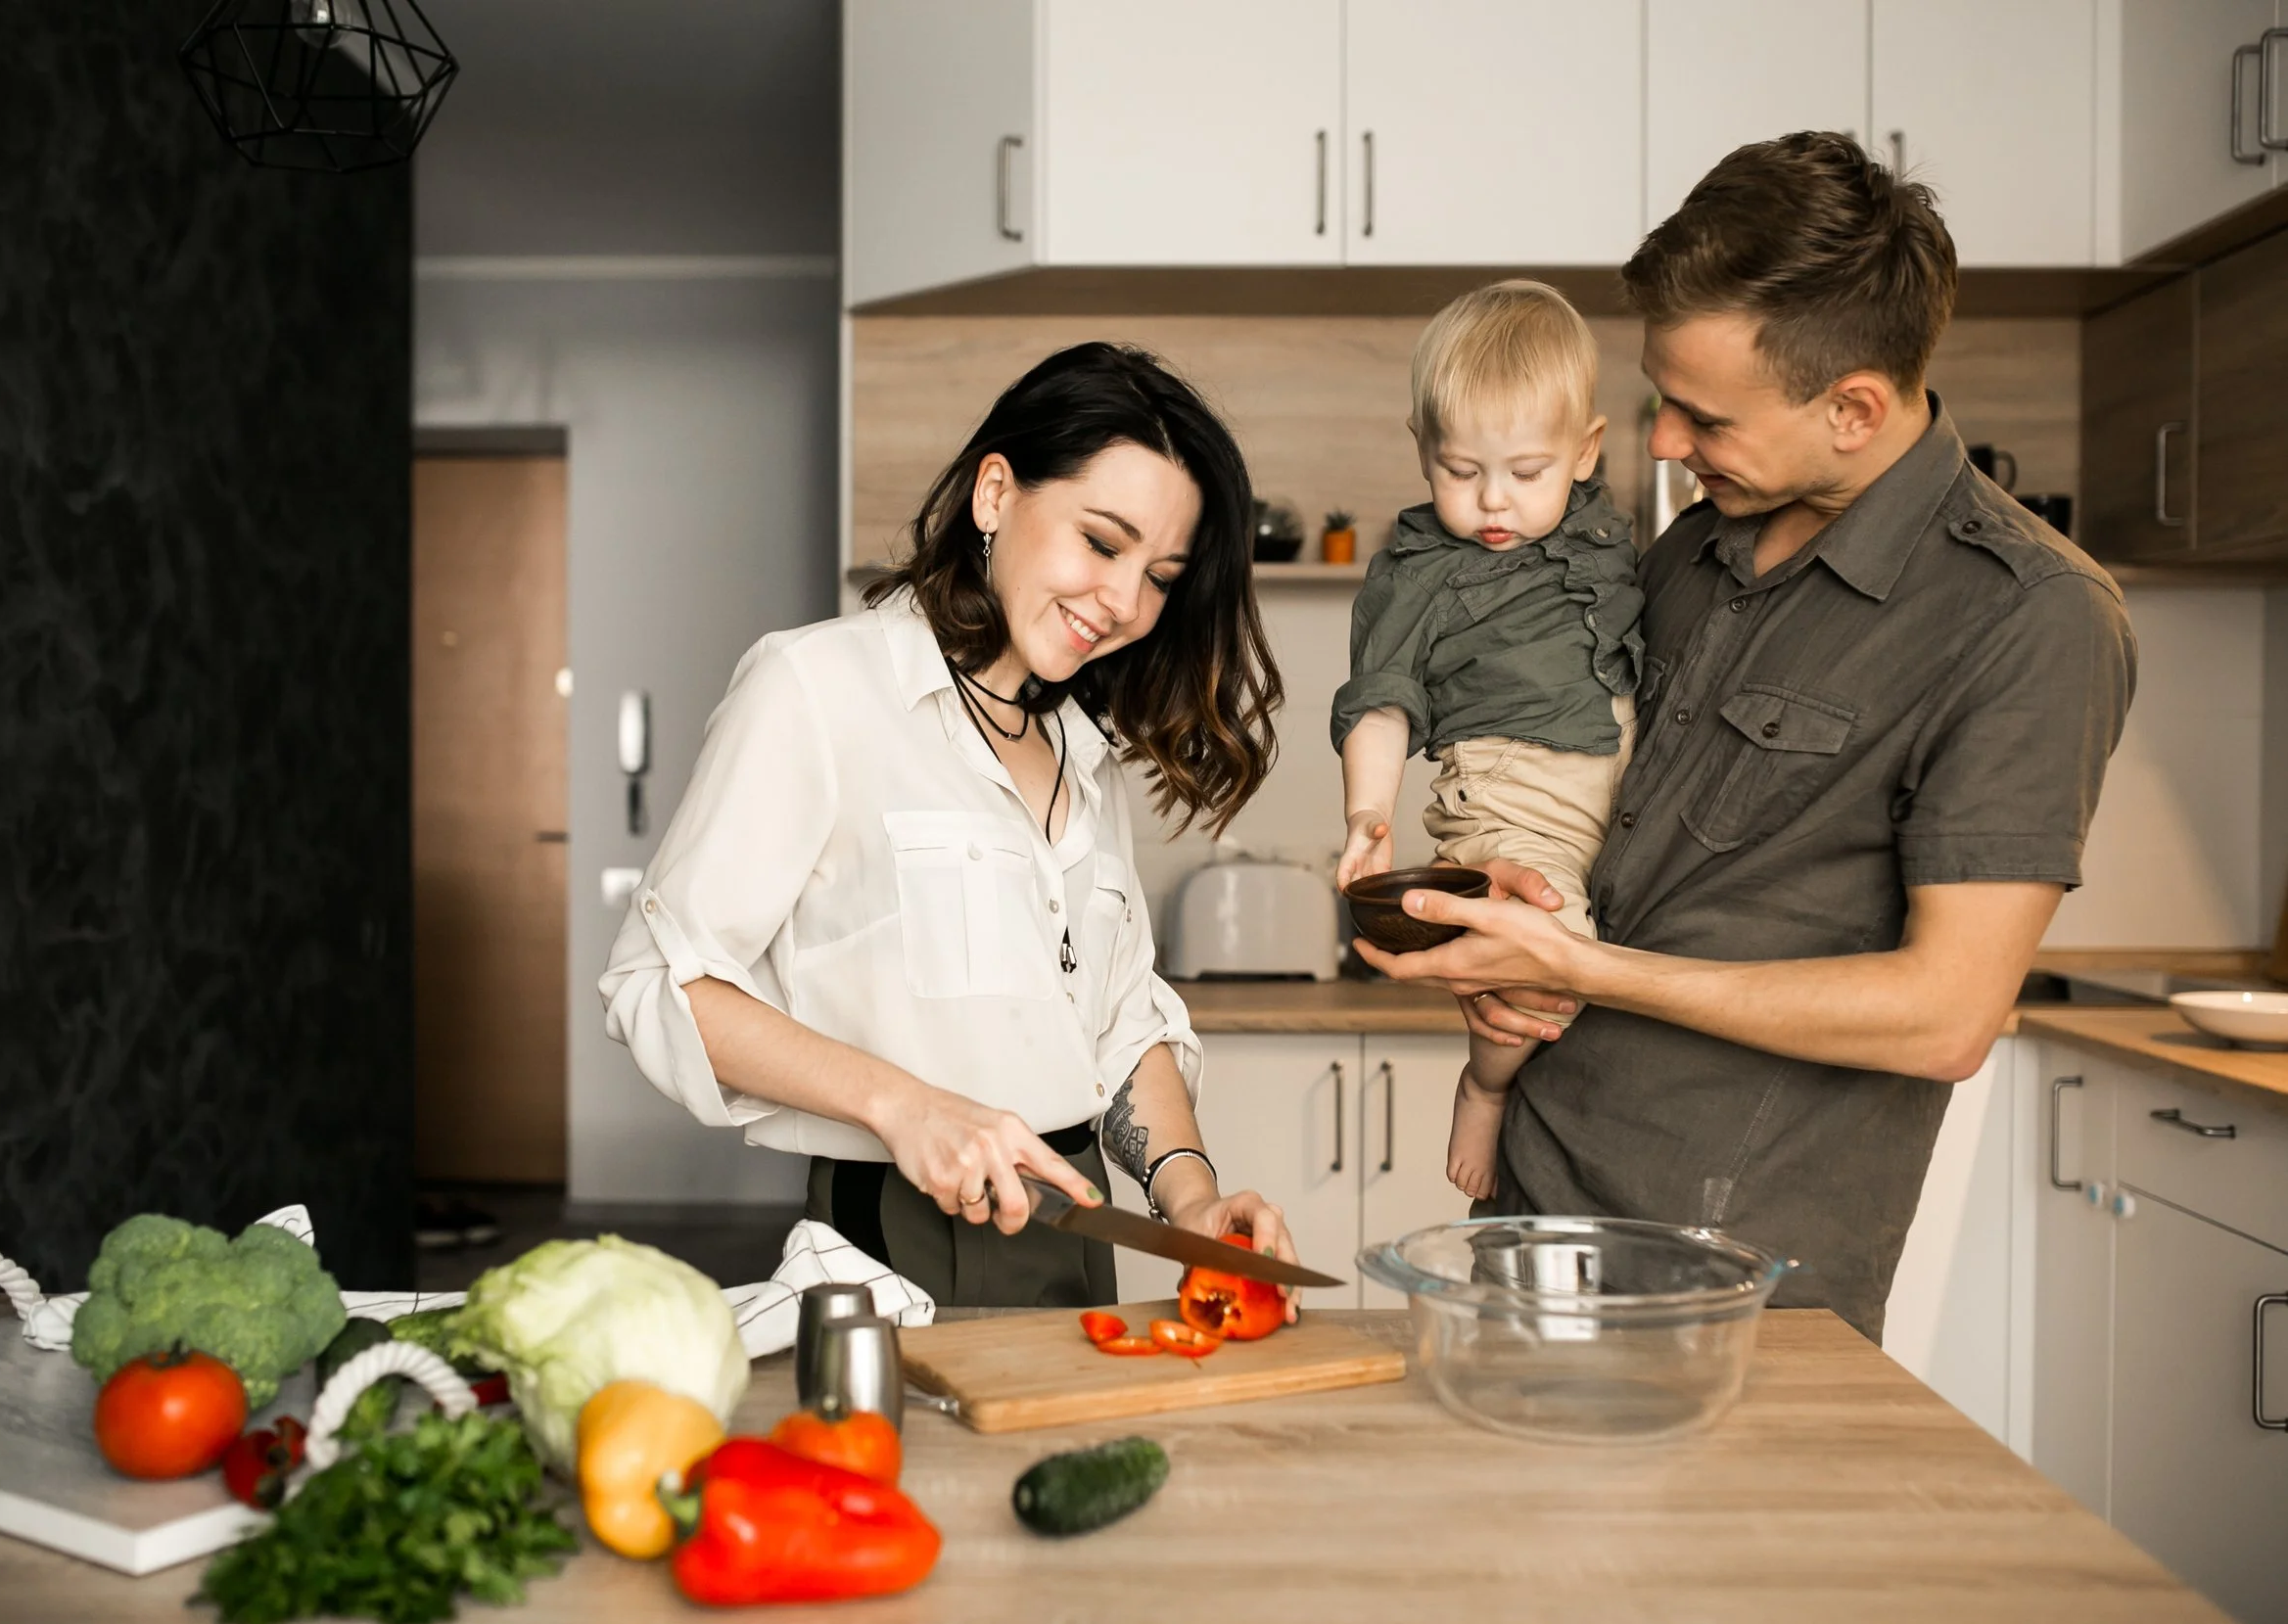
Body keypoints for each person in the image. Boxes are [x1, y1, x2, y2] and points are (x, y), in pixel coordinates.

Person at [1355, 132, 2137, 1342]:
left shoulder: (2028, 617)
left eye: (1702, 416)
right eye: (1661, 401)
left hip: (1733, 1274)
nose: (1663, 443)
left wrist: (1586, 970)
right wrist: (1517, 907)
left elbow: (1946, 1015)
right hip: (1531, 1201)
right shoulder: (1693, 549)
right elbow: (1610, 822)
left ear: (1853, 408)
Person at [600, 341, 1299, 1311]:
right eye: (1101, 543)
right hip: (894, 1238)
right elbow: (659, 983)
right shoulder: (816, 687)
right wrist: (903, 1104)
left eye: (1161, 575)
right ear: (995, 494)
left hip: (1077, 1231)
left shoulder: (1080, 748)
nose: (1126, 603)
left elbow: (1117, 1023)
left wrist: (1190, 1197)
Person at [1331, 280, 1644, 1203]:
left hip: (1620, 791)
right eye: (1462, 472)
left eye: (1526, 472)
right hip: (1506, 792)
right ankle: (1485, 1087)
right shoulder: (1418, 573)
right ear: (1424, 453)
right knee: (1541, 957)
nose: (1493, 500)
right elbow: (1381, 703)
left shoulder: (1605, 533)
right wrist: (1367, 813)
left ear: (1585, 453)